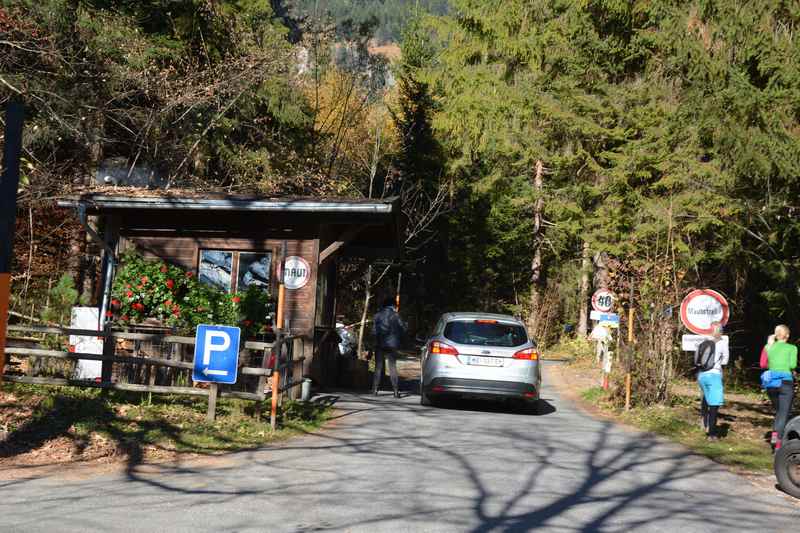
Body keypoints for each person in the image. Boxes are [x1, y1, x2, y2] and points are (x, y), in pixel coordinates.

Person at [760, 325, 797, 450]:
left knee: (779, 413)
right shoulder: (792, 348)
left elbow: (763, 364)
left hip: (771, 384)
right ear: (787, 335)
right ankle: (778, 445)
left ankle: (775, 440)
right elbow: (792, 364)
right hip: (785, 383)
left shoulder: (768, 347)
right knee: (783, 413)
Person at [696, 321, 729, 440]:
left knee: (706, 399)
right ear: (720, 331)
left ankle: (705, 424)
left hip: (701, 376)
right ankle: (711, 434)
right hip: (714, 375)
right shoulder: (722, 343)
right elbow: (725, 361)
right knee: (714, 406)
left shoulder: (704, 341)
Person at [372, 297, 406, 398]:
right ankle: (395, 392)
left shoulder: (377, 315)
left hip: (379, 344)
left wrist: (374, 343)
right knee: (392, 367)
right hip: (392, 345)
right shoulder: (396, 316)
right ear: (393, 305)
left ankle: (375, 390)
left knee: (378, 367)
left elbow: (374, 331)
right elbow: (403, 329)